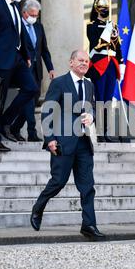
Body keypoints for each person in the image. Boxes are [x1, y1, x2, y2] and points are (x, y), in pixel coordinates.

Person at [30, 50, 105, 241]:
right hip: (63, 142)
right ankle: (38, 207)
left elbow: (92, 108)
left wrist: (92, 116)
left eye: (86, 61)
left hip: (83, 143)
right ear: (71, 63)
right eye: (80, 60)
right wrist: (50, 139)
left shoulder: (89, 85)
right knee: (58, 182)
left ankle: (88, 225)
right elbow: (48, 112)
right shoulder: (59, 83)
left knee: (88, 186)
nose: (84, 63)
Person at [0, 0, 38, 152]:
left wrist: (27, 55)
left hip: (18, 58)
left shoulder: (16, 7)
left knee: (31, 88)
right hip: (1, 60)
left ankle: (5, 122)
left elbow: (20, 32)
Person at [8, 0, 55, 142]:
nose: (34, 17)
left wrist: (50, 68)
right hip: (23, 69)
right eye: (32, 14)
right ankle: (32, 132)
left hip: (37, 70)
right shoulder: (18, 27)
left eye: (36, 15)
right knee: (28, 100)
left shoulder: (39, 27)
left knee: (32, 100)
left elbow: (44, 50)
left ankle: (14, 128)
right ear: (24, 13)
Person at [86, 0, 123, 143]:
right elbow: (96, 45)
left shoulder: (112, 26)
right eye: (103, 8)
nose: (106, 10)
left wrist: (121, 62)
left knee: (108, 100)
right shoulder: (92, 27)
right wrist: (107, 32)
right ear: (97, 9)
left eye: (107, 8)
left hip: (111, 66)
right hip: (99, 65)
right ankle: (99, 131)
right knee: (100, 99)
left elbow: (117, 48)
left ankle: (106, 131)